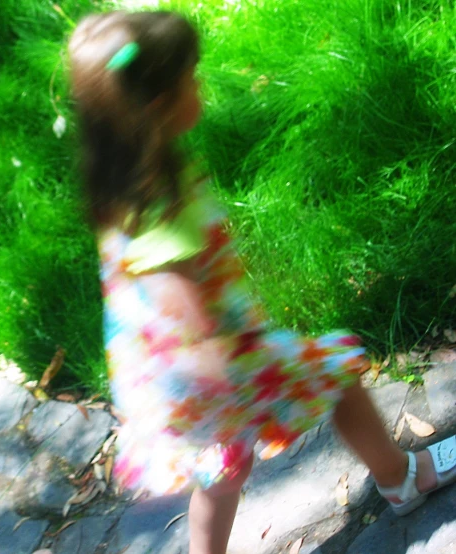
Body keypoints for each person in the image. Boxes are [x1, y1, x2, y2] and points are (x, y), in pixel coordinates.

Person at [67, 10, 456, 554]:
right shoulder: (165, 216)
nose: (200, 86)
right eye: (191, 78)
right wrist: (245, 373)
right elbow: (184, 318)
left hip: (158, 384)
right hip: (212, 368)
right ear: (158, 106)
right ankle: (401, 477)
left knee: (222, 469)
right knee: (338, 374)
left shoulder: (122, 181)